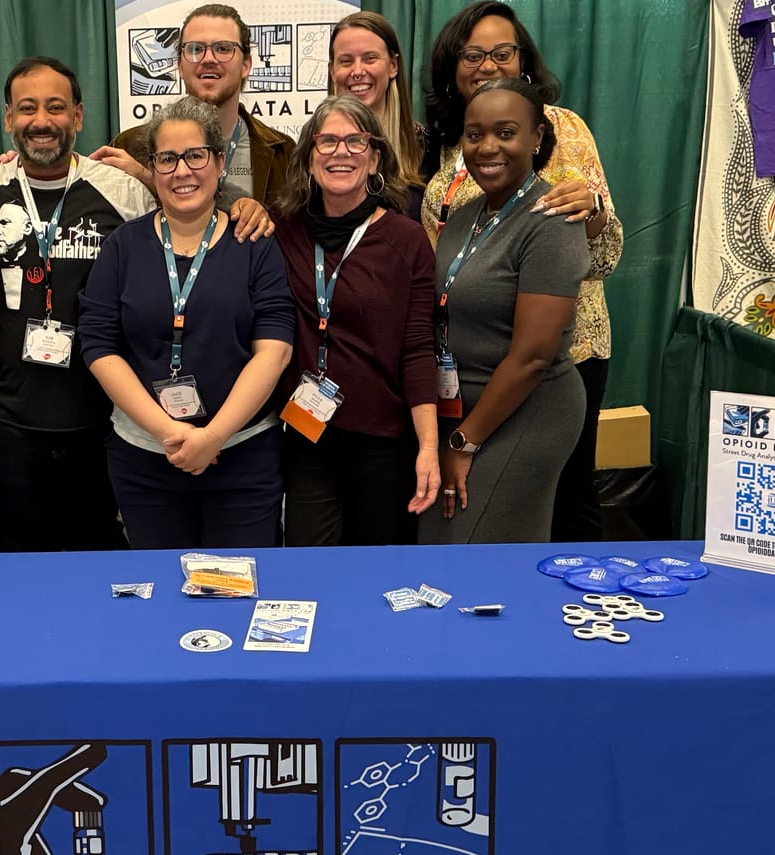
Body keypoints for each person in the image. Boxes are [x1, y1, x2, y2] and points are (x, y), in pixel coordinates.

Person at [0, 57, 274, 553]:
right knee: (25, 556)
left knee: (101, 553)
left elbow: (187, 201)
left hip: (100, 417)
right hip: (8, 419)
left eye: (56, 107)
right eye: (27, 108)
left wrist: (241, 204)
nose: (41, 120)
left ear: (78, 115)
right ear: (7, 118)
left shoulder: (121, 188)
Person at [419, 0, 624, 540]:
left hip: (549, 370)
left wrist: (593, 213)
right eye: (472, 55)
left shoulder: (562, 148)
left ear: (536, 137)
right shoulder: (450, 174)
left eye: (501, 52)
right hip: (467, 384)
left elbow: (602, 259)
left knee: (559, 514)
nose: (486, 64)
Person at [79, 97, 293, 550]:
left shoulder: (254, 244)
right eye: (167, 159)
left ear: (219, 162)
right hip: (144, 459)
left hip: (243, 457)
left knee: (237, 582)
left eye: (195, 155)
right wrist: (170, 432)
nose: (182, 171)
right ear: (152, 168)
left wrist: (213, 436)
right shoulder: (122, 246)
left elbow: (275, 348)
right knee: (161, 583)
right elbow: (98, 345)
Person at [420, 79, 588, 545]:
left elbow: (534, 356)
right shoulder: (463, 217)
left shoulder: (553, 220)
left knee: (474, 547)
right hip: (462, 406)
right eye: (474, 135)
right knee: (436, 545)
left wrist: (464, 442)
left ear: (537, 137)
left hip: (526, 409)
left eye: (506, 132)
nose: (487, 147)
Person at [270, 95, 438, 545]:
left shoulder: (407, 240)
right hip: (306, 436)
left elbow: (418, 349)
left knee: (378, 568)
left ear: (375, 157)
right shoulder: (281, 230)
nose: (340, 152)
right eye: (326, 141)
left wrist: (428, 447)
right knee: (309, 562)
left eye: (355, 141)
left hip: (383, 442)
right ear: (309, 159)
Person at [100, 3, 296, 213]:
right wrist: (148, 181)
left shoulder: (284, 153)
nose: (209, 59)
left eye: (223, 49)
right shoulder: (131, 147)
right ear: (179, 65)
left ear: (246, 65)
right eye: (195, 49)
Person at [327, 11, 423, 181]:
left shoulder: (427, 148)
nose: (357, 72)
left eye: (370, 58)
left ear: (393, 66)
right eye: (346, 61)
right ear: (332, 71)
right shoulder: (313, 151)